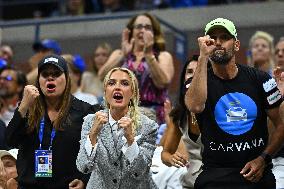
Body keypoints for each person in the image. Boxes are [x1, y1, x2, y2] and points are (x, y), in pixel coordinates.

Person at [185, 17, 284, 188]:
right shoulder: (196, 83)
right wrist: (202, 57)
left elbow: (282, 124)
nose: (217, 42)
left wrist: (264, 158)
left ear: (237, 45)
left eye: (224, 37)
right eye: (212, 38)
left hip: (256, 171)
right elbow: (195, 106)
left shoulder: (261, 79)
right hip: (215, 173)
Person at [5, 54, 100, 189]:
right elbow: (10, 140)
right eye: (45, 74)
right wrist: (23, 106)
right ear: (39, 80)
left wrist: (84, 179)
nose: (50, 77)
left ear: (66, 79)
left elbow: (95, 153)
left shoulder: (84, 111)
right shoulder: (28, 109)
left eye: (56, 74)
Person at [76, 67, 158, 189]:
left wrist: (130, 139)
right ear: (105, 91)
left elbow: (140, 171)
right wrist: (93, 134)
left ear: (133, 93)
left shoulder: (148, 126)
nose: (117, 87)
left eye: (125, 83)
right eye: (111, 83)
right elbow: (83, 167)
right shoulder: (90, 121)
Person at [98, 12, 174, 124]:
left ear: (154, 33)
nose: (142, 30)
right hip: (122, 115)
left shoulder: (163, 56)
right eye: (138, 27)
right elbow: (102, 76)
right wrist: (123, 55)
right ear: (131, 32)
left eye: (147, 27)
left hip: (155, 117)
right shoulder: (119, 54)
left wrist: (148, 55)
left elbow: (163, 82)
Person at [161, 55, 203, 189]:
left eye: (199, 71)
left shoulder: (220, 108)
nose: (193, 75)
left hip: (218, 181)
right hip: (190, 182)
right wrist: (171, 159)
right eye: (189, 71)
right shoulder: (178, 114)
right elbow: (165, 153)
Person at [272, 37, 284, 189]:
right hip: (276, 159)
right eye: (278, 52)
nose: (280, 54)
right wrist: (277, 99)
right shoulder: (268, 84)